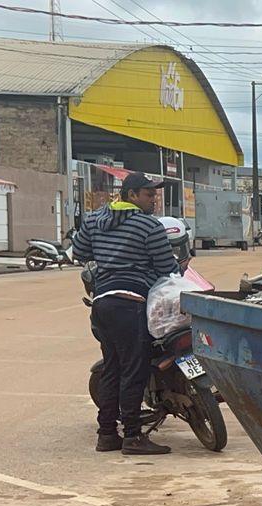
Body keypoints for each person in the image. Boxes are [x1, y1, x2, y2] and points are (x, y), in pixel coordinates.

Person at [71, 171, 179, 456]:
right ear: (131, 195)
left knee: (113, 368)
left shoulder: (94, 219)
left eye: (155, 194)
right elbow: (167, 266)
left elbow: (79, 250)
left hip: (102, 303)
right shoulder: (149, 226)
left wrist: (109, 256)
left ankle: (107, 434)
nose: (154, 200)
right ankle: (132, 436)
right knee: (134, 370)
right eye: (148, 194)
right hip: (130, 304)